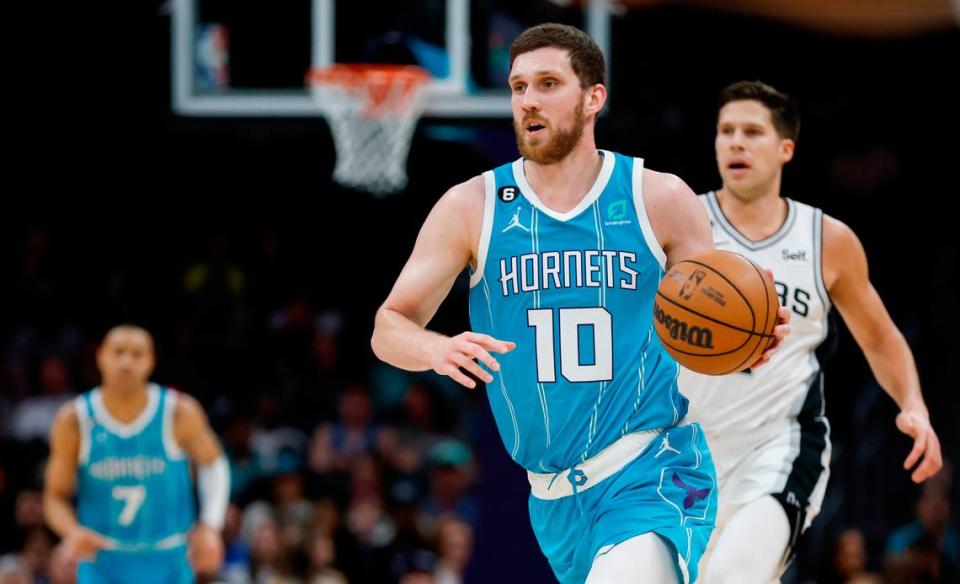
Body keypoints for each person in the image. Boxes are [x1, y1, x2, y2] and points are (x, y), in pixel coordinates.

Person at [371, 24, 788, 584]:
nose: (529, 101)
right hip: (552, 500)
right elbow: (388, 326)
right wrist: (437, 348)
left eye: (547, 83)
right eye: (519, 87)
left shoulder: (657, 198)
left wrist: (748, 341)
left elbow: (705, 320)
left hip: (651, 472)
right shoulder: (472, 207)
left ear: (594, 97)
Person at [679, 80, 943, 584]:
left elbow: (881, 336)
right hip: (684, 447)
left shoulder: (826, 239)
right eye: (725, 131)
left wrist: (913, 404)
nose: (735, 142)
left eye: (751, 131)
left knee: (734, 576)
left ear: (785, 149)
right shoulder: (681, 221)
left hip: (780, 446)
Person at [43, 325, 230, 583]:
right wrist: (72, 532)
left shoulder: (178, 411)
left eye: (137, 354)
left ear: (151, 361)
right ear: (100, 357)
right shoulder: (75, 420)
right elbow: (54, 497)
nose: (126, 361)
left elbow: (214, 464)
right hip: (103, 560)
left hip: (170, 557)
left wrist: (210, 525)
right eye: (118, 352)